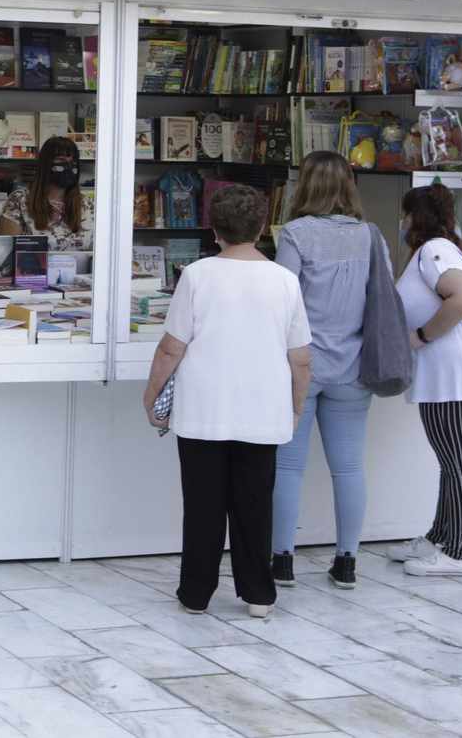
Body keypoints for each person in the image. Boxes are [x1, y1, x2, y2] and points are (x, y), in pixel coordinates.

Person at [143, 185, 311, 618]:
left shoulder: (197, 275)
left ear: (213, 229)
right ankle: (258, 594)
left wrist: (151, 395)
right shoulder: (285, 280)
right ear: (262, 228)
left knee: (203, 506)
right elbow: (301, 358)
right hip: (263, 411)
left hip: (203, 410)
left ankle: (196, 593)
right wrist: (295, 408)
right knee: (255, 505)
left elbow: (171, 347)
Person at [269, 152, 389, 592]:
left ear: (305, 185)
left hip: (301, 367)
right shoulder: (370, 235)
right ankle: (346, 563)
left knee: (288, 468)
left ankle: (282, 562)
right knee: (349, 468)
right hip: (354, 368)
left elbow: (282, 300)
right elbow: (383, 295)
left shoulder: (296, 234)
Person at [384, 185, 462, 577]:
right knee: (452, 461)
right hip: (452, 373)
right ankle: (438, 537)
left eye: (404, 215)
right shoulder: (439, 249)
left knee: (460, 463)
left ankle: (457, 552)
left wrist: (420, 336)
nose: (401, 223)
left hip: (458, 374)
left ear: (415, 217)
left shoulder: (435, 251)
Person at [0, 135, 93, 254]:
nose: (68, 166)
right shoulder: (20, 200)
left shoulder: (87, 205)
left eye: (73, 161)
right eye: (61, 160)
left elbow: (96, 254)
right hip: (32, 266)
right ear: (46, 164)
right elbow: (6, 253)